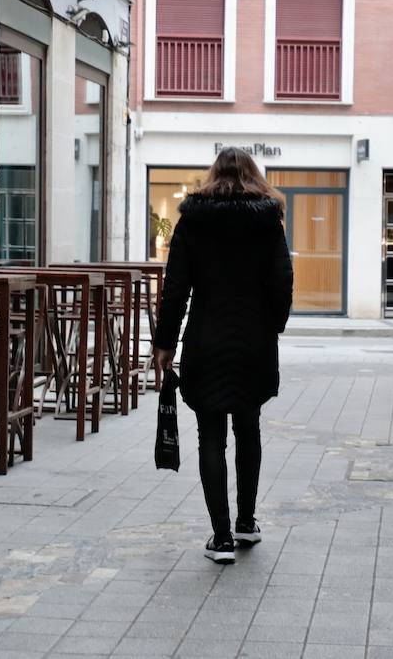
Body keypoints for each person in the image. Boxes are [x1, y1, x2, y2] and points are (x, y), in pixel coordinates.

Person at [152, 147, 294, 564]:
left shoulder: (193, 220)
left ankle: (221, 538)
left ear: (212, 175)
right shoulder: (268, 222)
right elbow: (283, 281)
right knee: (249, 427)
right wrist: (272, 325)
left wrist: (165, 343)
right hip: (253, 342)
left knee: (210, 435)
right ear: (254, 175)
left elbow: (175, 288)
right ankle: (246, 522)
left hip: (206, 339)